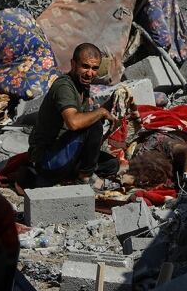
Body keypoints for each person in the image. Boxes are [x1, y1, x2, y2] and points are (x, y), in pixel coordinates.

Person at [27, 43, 120, 187]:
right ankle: (84, 177)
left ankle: (77, 172)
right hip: (47, 159)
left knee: (112, 164)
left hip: (67, 151)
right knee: (93, 123)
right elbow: (73, 123)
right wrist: (100, 112)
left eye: (94, 68)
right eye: (85, 66)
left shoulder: (83, 87)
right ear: (73, 64)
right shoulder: (64, 86)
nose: (90, 73)